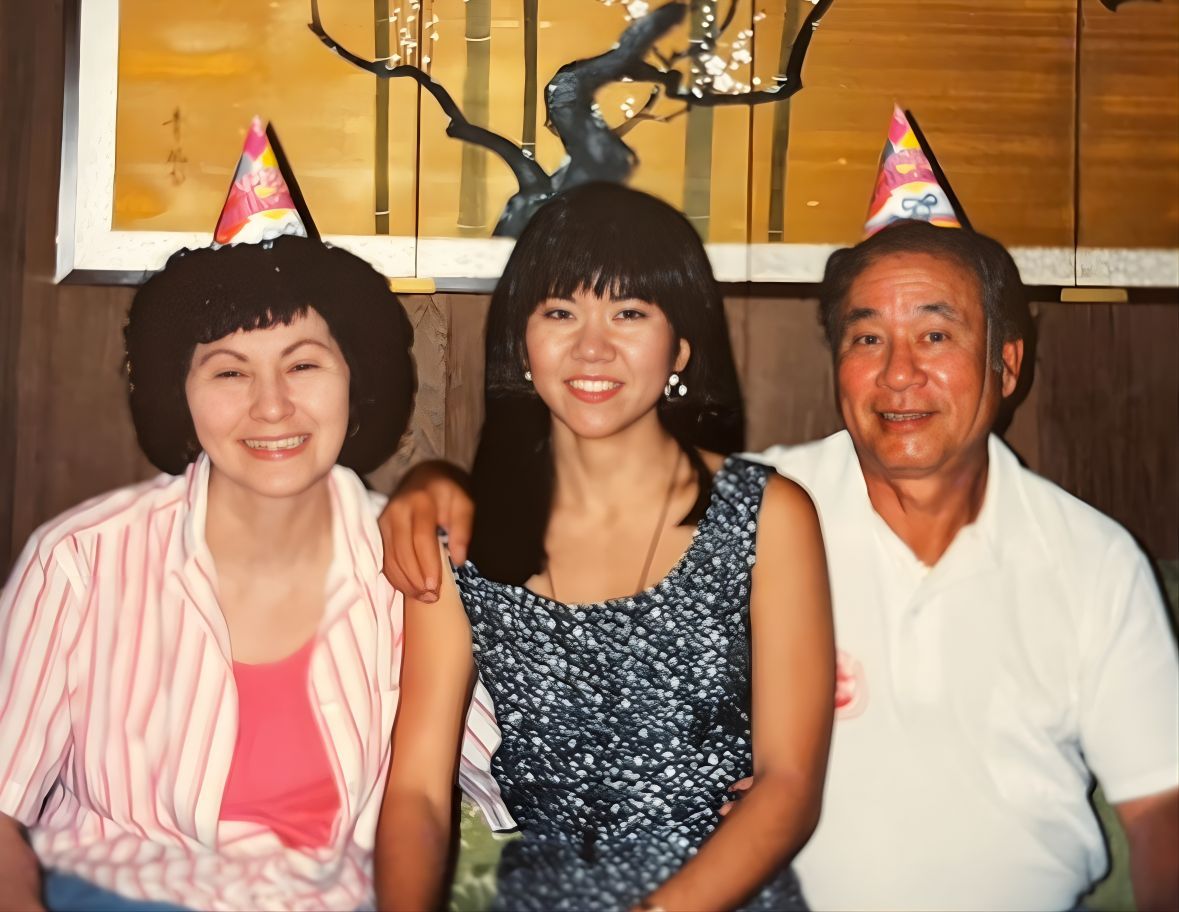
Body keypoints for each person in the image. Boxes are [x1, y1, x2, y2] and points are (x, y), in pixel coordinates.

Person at [380, 219, 1179, 911]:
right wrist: (431, 483)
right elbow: (603, 487)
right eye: (867, 338)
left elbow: (1159, 810)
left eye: (934, 335)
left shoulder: (1092, 561)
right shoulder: (759, 509)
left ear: (1006, 366)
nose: (898, 372)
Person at [0, 236, 509, 912]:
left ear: (358, 376)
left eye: (303, 364)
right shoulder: (78, 561)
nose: (272, 406)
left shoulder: (409, 565)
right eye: (229, 372)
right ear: (176, 390)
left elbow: (448, 791)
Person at [376, 183, 835, 912]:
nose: (592, 347)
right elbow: (417, 794)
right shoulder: (461, 538)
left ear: (680, 345)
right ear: (521, 342)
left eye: (628, 314)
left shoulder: (768, 516)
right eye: (560, 313)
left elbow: (787, 786)